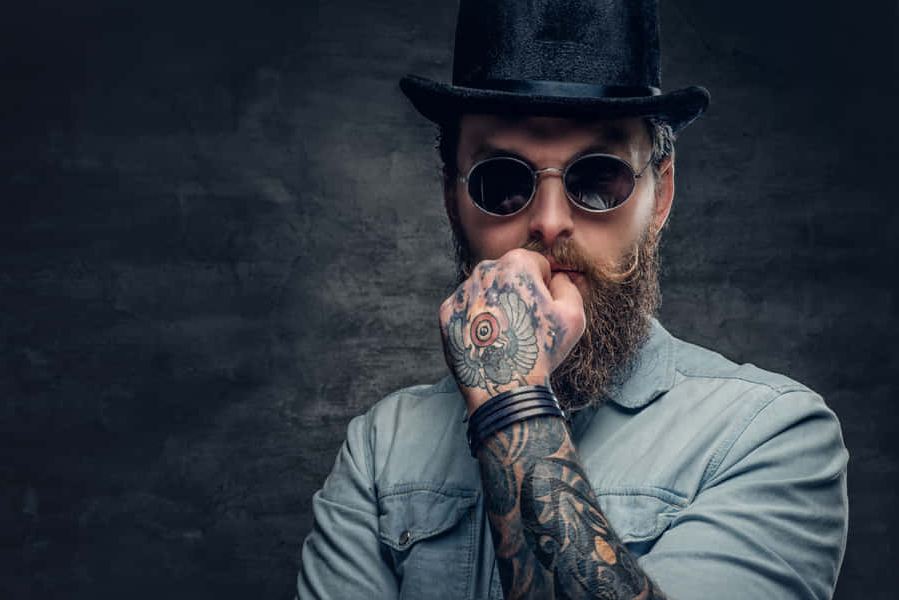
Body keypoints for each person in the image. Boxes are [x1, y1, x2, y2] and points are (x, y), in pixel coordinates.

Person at [296, 0, 849, 598]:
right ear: (453, 200)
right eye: (503, 182)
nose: (551, 221)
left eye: (597, 177)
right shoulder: (382, 451)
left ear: (659, 197)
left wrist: (510, 398)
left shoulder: (766, 435)